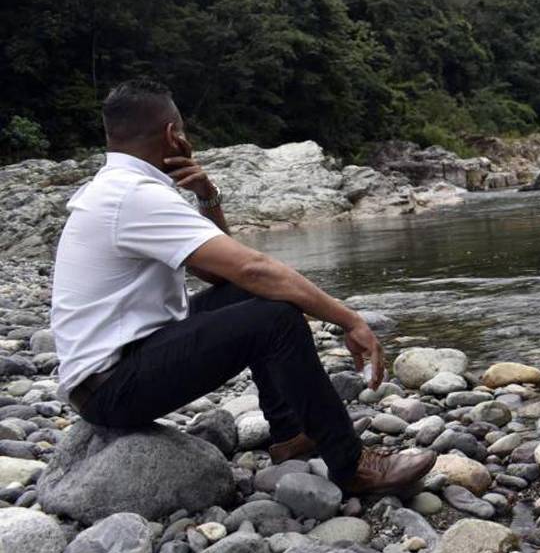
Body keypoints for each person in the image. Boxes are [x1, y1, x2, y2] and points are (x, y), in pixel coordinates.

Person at [50, 78, 435, 494]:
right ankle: (352, 466)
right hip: (112, 389)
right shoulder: (134, 196)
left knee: (256, 297)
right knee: (274, 318)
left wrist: (207, 196)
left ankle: (292, 434)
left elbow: (223, 275)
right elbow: (254, 268)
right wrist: (349, 319)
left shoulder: (118, 188)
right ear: (173, 134)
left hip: (111, 374)